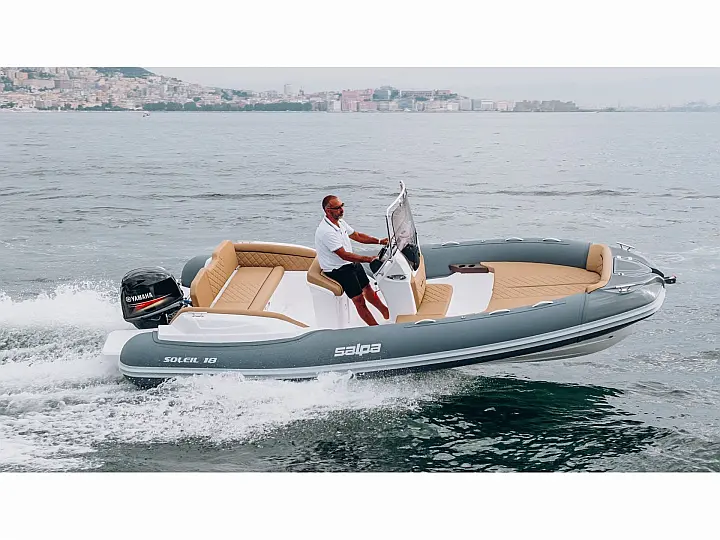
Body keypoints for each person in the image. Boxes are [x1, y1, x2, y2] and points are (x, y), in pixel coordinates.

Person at [315, 195, 390, 326]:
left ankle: (386, 313)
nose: (342, 210)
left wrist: (379, 241)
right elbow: (343, 255)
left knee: (367, 288)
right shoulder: (326, 231)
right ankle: (375, 328)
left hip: (349, 263)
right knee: (359, 300)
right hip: (338, 269)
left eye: (342, 206)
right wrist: (368, 259)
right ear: (328, 210)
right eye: (338, 208)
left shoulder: (340, 223)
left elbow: (357, 235)